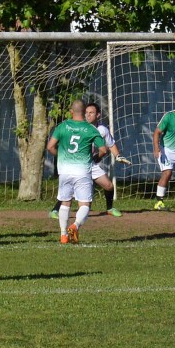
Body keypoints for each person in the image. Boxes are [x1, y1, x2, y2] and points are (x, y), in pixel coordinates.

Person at [49, 101, 130, 219]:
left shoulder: (102, 129)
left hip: (90, 163)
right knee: (70, 190)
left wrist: (117, 156)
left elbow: (111, 145)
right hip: (76, 164)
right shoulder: (79, 126)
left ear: (98, 115)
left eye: (91, 113)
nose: (88, 115)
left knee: (108, 186)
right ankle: (55, 210)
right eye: (86, 112)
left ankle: (109, 208)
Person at [46, 99, 108, 244]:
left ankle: (63, 236)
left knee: (65, 202)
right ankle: (75, 226)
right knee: (85, 204)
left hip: (65, 171)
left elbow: (50, 147)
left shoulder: (62, 127)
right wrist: (95, 159)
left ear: (71, 112)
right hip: (83, 171)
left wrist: (61, 156)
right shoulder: (91, 129)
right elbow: (103, 150)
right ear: (84, 112)